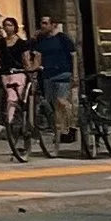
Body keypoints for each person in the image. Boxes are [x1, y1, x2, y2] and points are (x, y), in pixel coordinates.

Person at [37, 13, 79, 143]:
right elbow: (38, 56)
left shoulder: (62, 38)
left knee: (62, 101)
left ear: (52, 25)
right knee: (54, 106)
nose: (42, 25)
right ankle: (61, 130)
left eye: (45, 23)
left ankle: (71, 126)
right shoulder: (41, 40)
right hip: (47, 75)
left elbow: (73, 55)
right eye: (41, 23)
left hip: (63, 73)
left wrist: (75, 73)